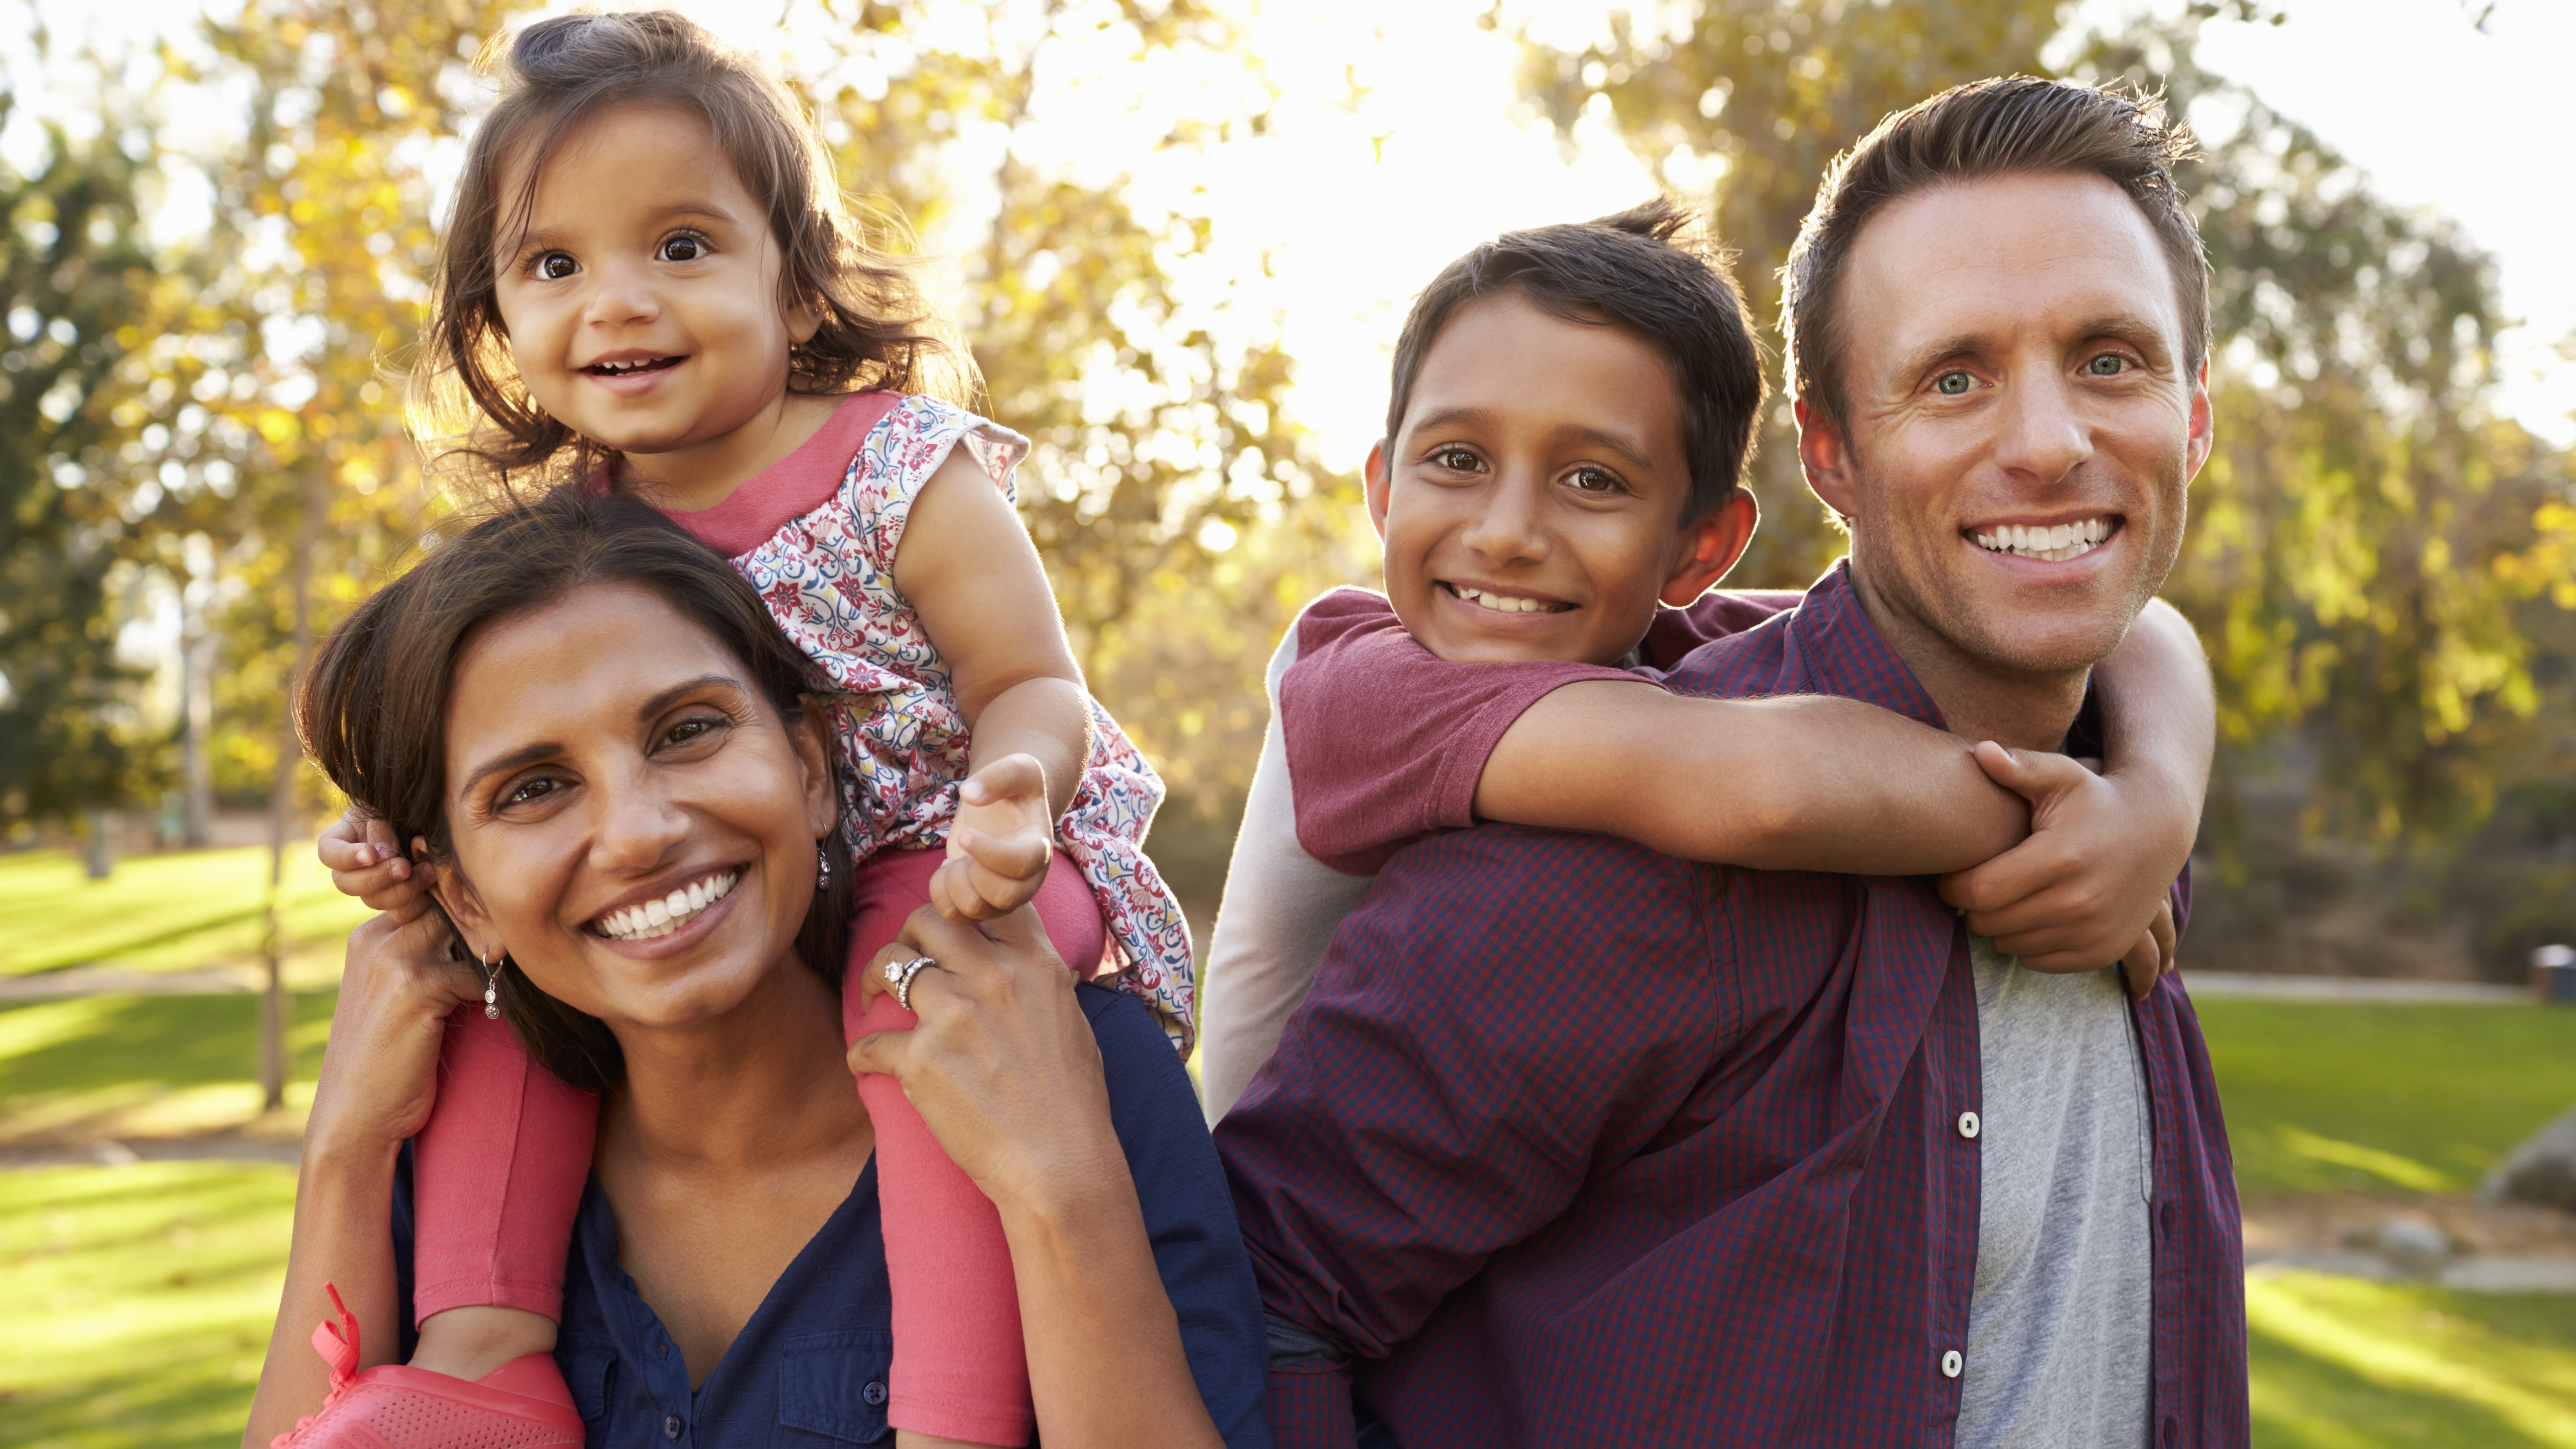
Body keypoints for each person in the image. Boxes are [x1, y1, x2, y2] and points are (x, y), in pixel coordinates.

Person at [1217, 77, 2246, 1447]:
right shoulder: (1607, 833)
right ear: (1833, 455)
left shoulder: (2121, 795)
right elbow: (1265, 1292)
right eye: (1954, 376)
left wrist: (2158, 802)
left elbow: (2154, 637)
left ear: (2193, 419)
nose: (2049, 443)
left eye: (2111, 360)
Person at [310, 13, 1192, 1446]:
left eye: (681, 246)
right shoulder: (579, 543)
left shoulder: (897, 462)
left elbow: (1032, 677)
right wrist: (390, 838)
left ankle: (953, 1404)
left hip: (946, 846)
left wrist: (1015, 794)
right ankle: (483, 1349)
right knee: (510, 1000)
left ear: (795, 290)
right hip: (760, 879)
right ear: (502, 325)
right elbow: (467, 754)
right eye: (555, 265)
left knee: (910, 1008)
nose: (618, 302)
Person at [245, 488, 1268, 1448]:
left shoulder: (1065, 1067)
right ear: (465, 901)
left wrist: (1060, 1191)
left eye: (688, 731)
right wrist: (343, 1149)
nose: (639, 833)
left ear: (813, 771)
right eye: (534, 789)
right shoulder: (444, 1171)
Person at [1197, 201, 2213, 1122]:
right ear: (1381, 489)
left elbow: (2147, 630)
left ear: (1700, 550)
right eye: (1458, 460)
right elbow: (1769, 785)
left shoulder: (1668, 646)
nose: (1506, 532)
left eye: (1592, 480)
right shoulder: (1357, 677)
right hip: (1257, 1279)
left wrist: (2153, 805)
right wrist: (2066, 825)